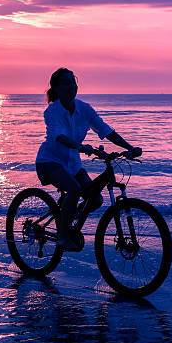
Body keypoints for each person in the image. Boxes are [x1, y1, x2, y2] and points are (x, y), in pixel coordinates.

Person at [35, 67, 141, 250]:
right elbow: (58, 136)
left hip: (72, 165)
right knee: (74, 189)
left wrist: (130, 148)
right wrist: (81, 147)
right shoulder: (52, 111)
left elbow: (105, 130)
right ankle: (62, 237)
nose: (71, 87)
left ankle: (66, 218)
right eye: (66, 83)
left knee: (96, 199)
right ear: (57, 88)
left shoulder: (84, 109)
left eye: (73, 83)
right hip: (49, 162)